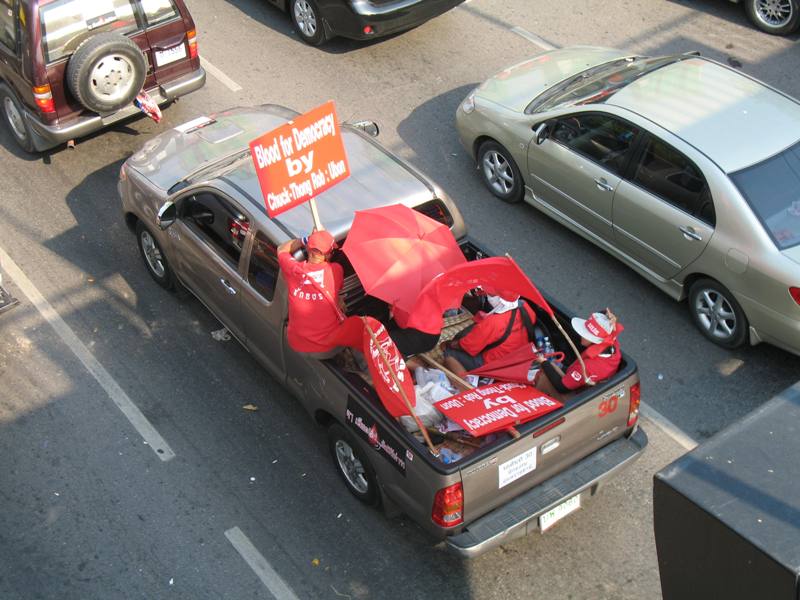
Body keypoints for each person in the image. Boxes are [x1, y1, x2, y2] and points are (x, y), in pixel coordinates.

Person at [277, 229, 344, 355]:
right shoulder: (336, 270)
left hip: (296, 344)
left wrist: (307, 239)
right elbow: (338, 290)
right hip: (328, 347)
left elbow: (281, 249)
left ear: (307, 248)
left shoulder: (293, 269)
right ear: (329, 254)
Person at [534, 308, 622, 400]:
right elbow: (608, 324)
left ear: (594, 340)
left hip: (575, 396)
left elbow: (562, 387)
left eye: (585, 334)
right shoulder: (611, 341)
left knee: (545, 375)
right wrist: (607, 317)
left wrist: (543, 363)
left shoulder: (587, 368)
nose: (581, 335)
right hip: (590, 385)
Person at [442, 294, 537, 376]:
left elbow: (467, 346)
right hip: (515, 356)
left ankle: (467, 384)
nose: (489, 296)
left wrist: (448, 344)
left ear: (499, 298)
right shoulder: (525, 306)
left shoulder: (494, 322)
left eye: (492, 294)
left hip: (494, 364)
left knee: (449, 353)